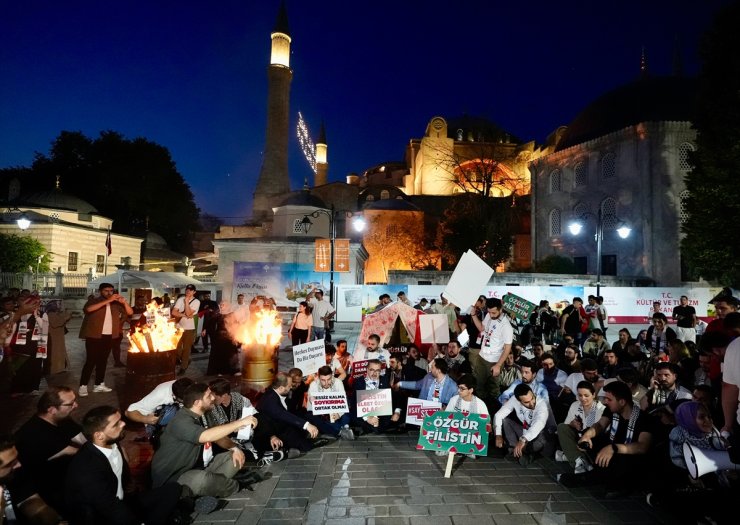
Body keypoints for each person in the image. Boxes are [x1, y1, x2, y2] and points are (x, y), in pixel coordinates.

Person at [65, 405, 182, 525]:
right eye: (116, 424)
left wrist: (128, 482)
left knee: (173, 489)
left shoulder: (112, 442)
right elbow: (108, 506)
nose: (123, 424)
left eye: (120, 420)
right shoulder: (86, 469)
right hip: (103, 516)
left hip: (124, 501)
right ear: (99, 435)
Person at [151, 382, 256, 497]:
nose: (213, 398)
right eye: (209, 396)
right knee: (202, 480)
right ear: (197, 403)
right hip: (175, 476)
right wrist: (240, 423)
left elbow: (218, 437)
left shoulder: (205, 413)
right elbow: (206, 436)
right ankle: (237, 485)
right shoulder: (180, 421)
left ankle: (211, 488)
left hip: (200, 468)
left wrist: (235, 448)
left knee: (234, 457)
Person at [12, 386, 86, 517]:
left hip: (57, 477)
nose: (76, 405)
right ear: (51, 409)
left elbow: (84, 440)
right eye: (70, 404)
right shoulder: (38, 435)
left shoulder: (61, 419)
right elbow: (84, 452)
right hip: (40, 488)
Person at [203, 378, 294, 465]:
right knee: (219, 449)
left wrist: (271, 436)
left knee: (262, 421)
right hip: (224, 438)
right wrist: (233, 427)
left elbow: (256, 416)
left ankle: (268, 449)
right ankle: (264, 455)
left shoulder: (239, 399)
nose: (212, 398)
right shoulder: (210, 407)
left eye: (214, 396)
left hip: (244, 434)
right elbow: (213, 430)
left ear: (224, 395)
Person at [78, 282, 133, 396]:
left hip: (109, 336)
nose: (109, 293)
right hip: (94, 335)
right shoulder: (94, 300)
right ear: (100, 291)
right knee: (91, 361)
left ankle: (99, 384)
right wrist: (109, 300)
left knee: (103, 360)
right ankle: (83, 386)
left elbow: (130, 312)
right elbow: (88, 309)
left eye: (111, 291)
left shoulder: (116, 304)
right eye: (106, 291)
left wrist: (124, 302)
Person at [494, 383, 556, 465]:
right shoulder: (514, 400)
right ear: (519, 401)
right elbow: (498, 415)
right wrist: (498, 435)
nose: (532, 403)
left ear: (533, 393)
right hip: (526, 433)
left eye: (532, 398)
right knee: (506, 421)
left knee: (541, 433)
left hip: (543, 438)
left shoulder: (542, 403)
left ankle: (526, 453)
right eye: (527, 402)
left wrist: (523, 439)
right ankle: (514, 451)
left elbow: (539, 423)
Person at [256, 373, 320, 452]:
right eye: (289, 386)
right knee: (304, 445)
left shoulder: (275, 390)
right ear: (281, 388)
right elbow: (283, 414)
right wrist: (306, 425)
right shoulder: (270, 400)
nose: (291, 387)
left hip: (281, 424)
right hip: (272, 432)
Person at [468, 298, 514, 405]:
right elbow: (481, 328)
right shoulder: (489, 315)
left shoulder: (506, 326)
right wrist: (474, 315)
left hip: (495, 361)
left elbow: (507, 348)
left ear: (501, 309)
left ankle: (494, 413)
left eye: (494, 312)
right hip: (482, 357)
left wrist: (498, 365)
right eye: (489, 312)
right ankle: (480, 409)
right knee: (479, 386)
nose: (491, 315)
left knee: (493, 389)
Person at [125, 377, 194, 444]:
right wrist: (145, 419)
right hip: (159, 425)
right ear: (175, 396)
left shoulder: (195, 389)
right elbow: (128, 412)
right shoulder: (160, 394)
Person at [556, 381, 606, 470]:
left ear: (593, 395)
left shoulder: (601, 409)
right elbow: (566, 425)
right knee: (561, 427)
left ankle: (571, 457)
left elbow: (602, 430)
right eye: (580, 395)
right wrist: (572, 424)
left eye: (586, 395)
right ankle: (579, 460)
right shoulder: (575, 405)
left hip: (592, 443)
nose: (583, 398)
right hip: (577, 439)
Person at [353, 360, 401, 434]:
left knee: (394, 418)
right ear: (367, 370)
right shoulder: (359, 382)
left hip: (381, 413)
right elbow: (354, 403)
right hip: (364, 413)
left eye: (377, 370)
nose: (374, 373)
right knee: (354, 417)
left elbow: (395, 397)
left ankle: (378, 428)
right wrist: (367, 418)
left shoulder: (384, 380)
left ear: (380, 371)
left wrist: (397, 412)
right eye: (372, 370)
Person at [171, 284, 200, 375]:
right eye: (187, 289)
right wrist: (185, 315)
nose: (188, 291)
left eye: (191, 290)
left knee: (187, 349)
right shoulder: (180, 299)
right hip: (178, 327)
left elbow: (188, 312)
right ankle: (186, 360)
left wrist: (187, 302)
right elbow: (174, 312)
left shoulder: (196, 302)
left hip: (189, 328)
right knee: (177, 348)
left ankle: (183, 367)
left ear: (194, 292)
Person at [44, 301, 72, 375]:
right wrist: (65, 317)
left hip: (57, 336)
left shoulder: (55, 313)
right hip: (54, 337)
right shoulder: (51, 314)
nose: (60, 306)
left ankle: (59, 368)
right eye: (59, 305)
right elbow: (55, 323)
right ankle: (55, 369)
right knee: (55, 353)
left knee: (58, 353)